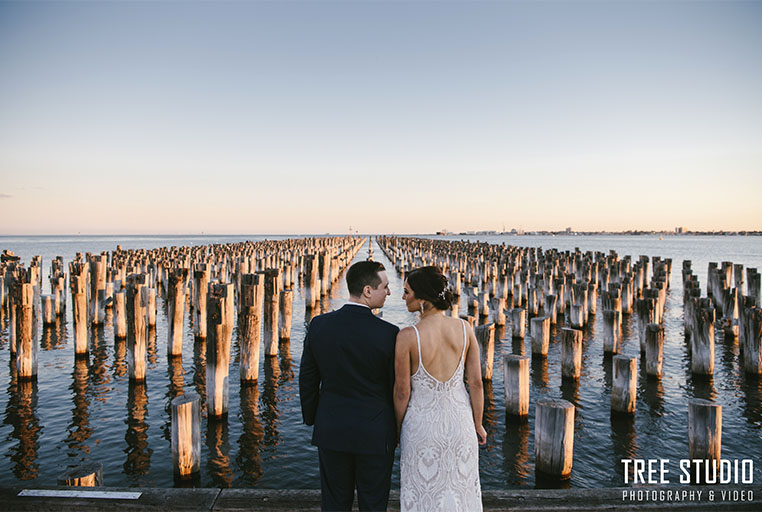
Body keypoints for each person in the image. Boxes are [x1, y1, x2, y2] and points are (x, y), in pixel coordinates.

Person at [299, 260, 400, 511]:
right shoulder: (389, 333)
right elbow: (396, 388)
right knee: (374, 503)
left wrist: (313, 418)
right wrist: (396, 430)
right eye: (385, 287)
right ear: (367, 290)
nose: (389, 292)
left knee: (334, 503)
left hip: (331, 428)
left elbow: (308, 379)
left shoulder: (319, 325)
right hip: (376, 433)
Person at [394, 265, 486, 512]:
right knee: (461, 492)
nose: (403, 297)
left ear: (422, 299)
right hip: (461, 424)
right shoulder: (465, 329)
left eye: (407, 292)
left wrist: (397, 429)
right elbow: (476, 384)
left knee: (424, 496)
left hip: (422, 428)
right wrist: (478, 424)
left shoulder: (407, 337)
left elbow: (402, 392)